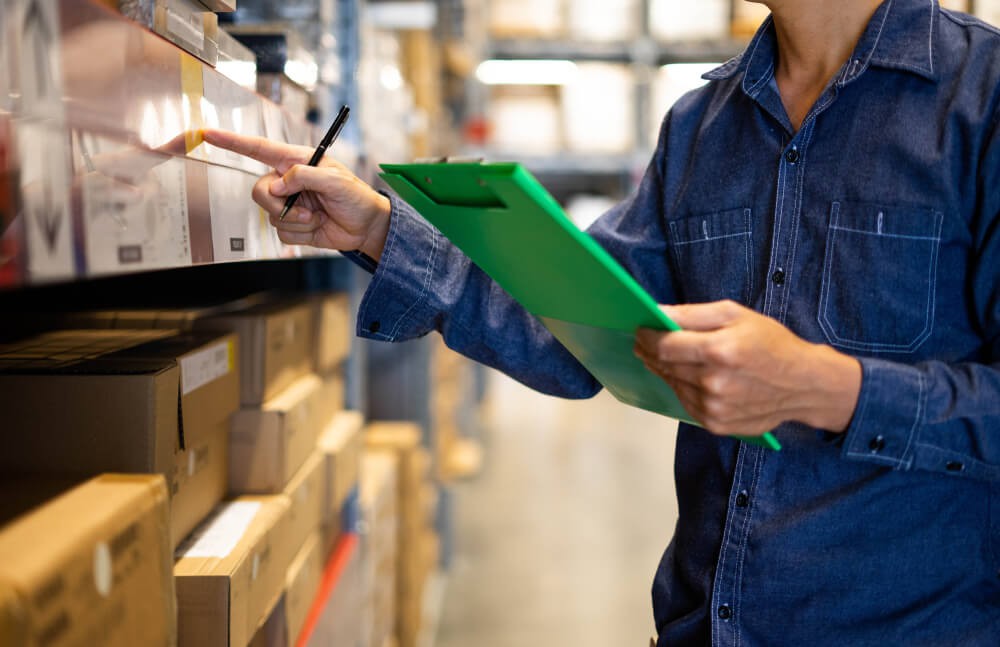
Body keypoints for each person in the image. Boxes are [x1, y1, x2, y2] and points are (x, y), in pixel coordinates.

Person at [204, 0, 1000, 643]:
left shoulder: (982, 100)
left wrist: (827, 387)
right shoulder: (702, 126)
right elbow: (577, 330)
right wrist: (377, 227)